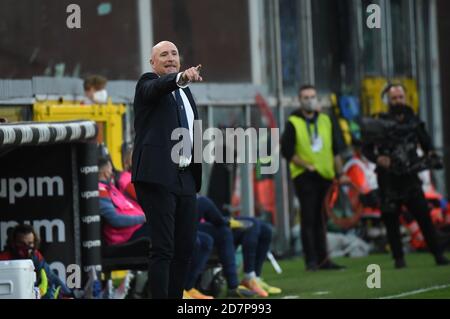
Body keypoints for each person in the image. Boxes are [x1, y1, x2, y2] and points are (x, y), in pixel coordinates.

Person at [132, 41, 203, 299]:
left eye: (174, 53)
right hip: (157, 176)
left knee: (185, 248)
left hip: (185, 176)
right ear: (152, 63)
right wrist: (181, 78)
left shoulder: (185, 92)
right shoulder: (147, 84)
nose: (170, 58)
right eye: (164, 55)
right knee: (163, 248)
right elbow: (157, 87)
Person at [362, 83, 449, 268]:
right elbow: (366, 149)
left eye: (400, 97)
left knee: (423, 216)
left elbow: (427, 144)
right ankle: (398, 258)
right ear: (388, 101)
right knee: (391, 219)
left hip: (410, 177)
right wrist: (379, 159)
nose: (398, 101)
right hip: (388, 179)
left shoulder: (413, 121)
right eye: (394, 98)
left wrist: (431, 155)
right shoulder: (379, 122)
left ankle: (438, 254)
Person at [281, 84, 347, 271]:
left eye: (312, 96)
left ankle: (324, 259)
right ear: (299, 100)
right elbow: (287, 151)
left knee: (323, 219)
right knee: (309, 219)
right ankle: (311, 261)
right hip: (305, 176)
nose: (309, 100)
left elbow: (335, 150)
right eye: (305, 97)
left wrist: (341, 174)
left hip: (326, 176)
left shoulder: (326, 120)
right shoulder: (293, 122)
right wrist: (305, 165)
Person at [197, 195, 281, 297]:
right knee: (224, 230)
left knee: (264, 229)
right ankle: (240, 282)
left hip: (204, 218)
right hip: (195, 223)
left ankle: (253, 278)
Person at [0, 224, 73, 298]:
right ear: (13, 242)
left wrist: (68, 295)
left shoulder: (35, 256)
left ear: (34, 242)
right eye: (22, 243)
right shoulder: (3, 260)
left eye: (30, 243)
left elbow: (52, 277)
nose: (26, 247)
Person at [98, 157, 148, 245]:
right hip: (125, 236)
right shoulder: (101, 190)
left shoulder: (110, 187)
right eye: (110, 169)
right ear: (105, 172)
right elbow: (115, 220)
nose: (112, 172)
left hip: (135, 228)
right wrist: (143, 218)